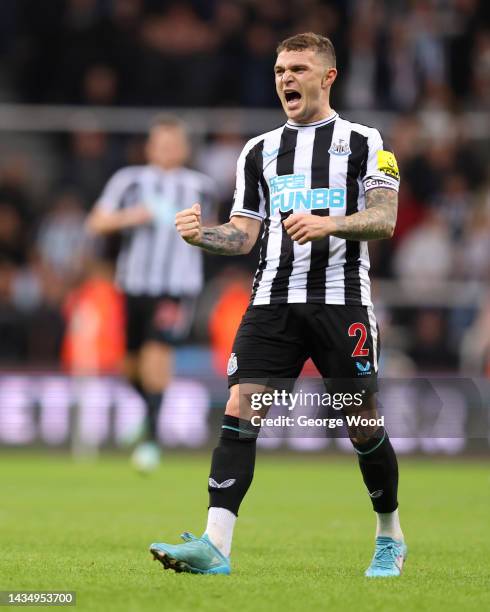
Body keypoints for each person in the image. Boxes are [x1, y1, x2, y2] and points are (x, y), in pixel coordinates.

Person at [150, 33, 406, 577]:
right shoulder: (258, 150)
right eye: (278, 70)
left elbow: (384, 219)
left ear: (327, 76)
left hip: (343, 302)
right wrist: (203, 238)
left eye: (297, 68)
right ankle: (216, 545)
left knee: (360, 423)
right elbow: (244, 235)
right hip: (271, 301)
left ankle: (389, 533)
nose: (285, 78)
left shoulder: (366, 141)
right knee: (242, 409)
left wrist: (330, 222)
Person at [86, 115, 215, 471]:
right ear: (149, 147)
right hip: (133, 285)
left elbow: (218, 232)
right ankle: (148, 414)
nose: (167, 149)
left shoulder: (201, 187)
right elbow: (96, 222)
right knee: (130, 365)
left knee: (158, 356)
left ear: (185, 149)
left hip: (175, 287)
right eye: (161, 143)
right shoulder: (129, 181)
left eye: (174, 144)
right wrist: (135, 216)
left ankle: (151, 443)